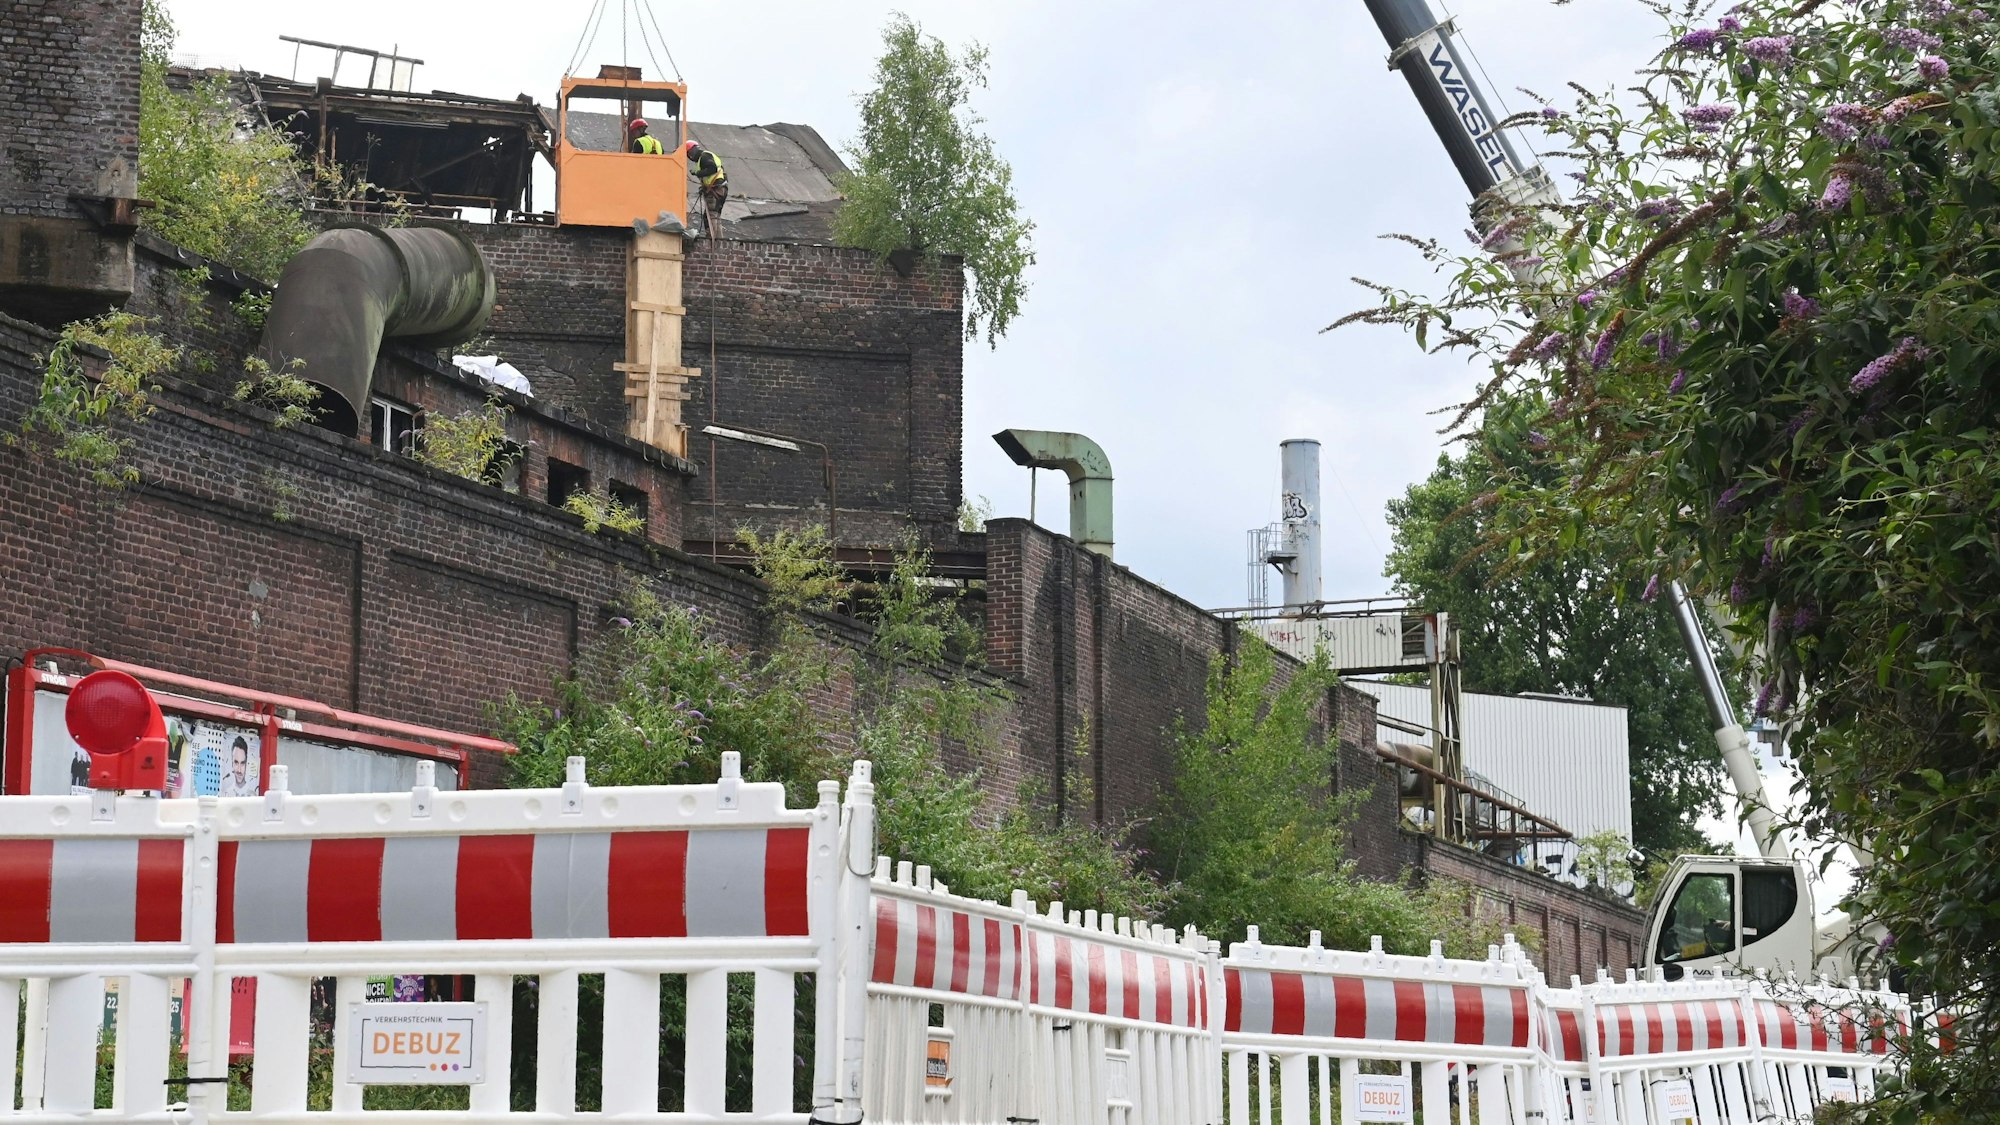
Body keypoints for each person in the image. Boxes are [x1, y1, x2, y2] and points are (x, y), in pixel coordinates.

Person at [685, 139, 728, 233]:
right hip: (720, 188)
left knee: (710, 216)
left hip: (716, 189)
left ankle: (712, 240)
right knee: (714, 215)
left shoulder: (704, 157)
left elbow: (712, 168)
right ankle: (717, 240)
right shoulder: (705, 156)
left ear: (691, 152)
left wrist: (698, 173)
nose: (689, 157)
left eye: (688, 154)